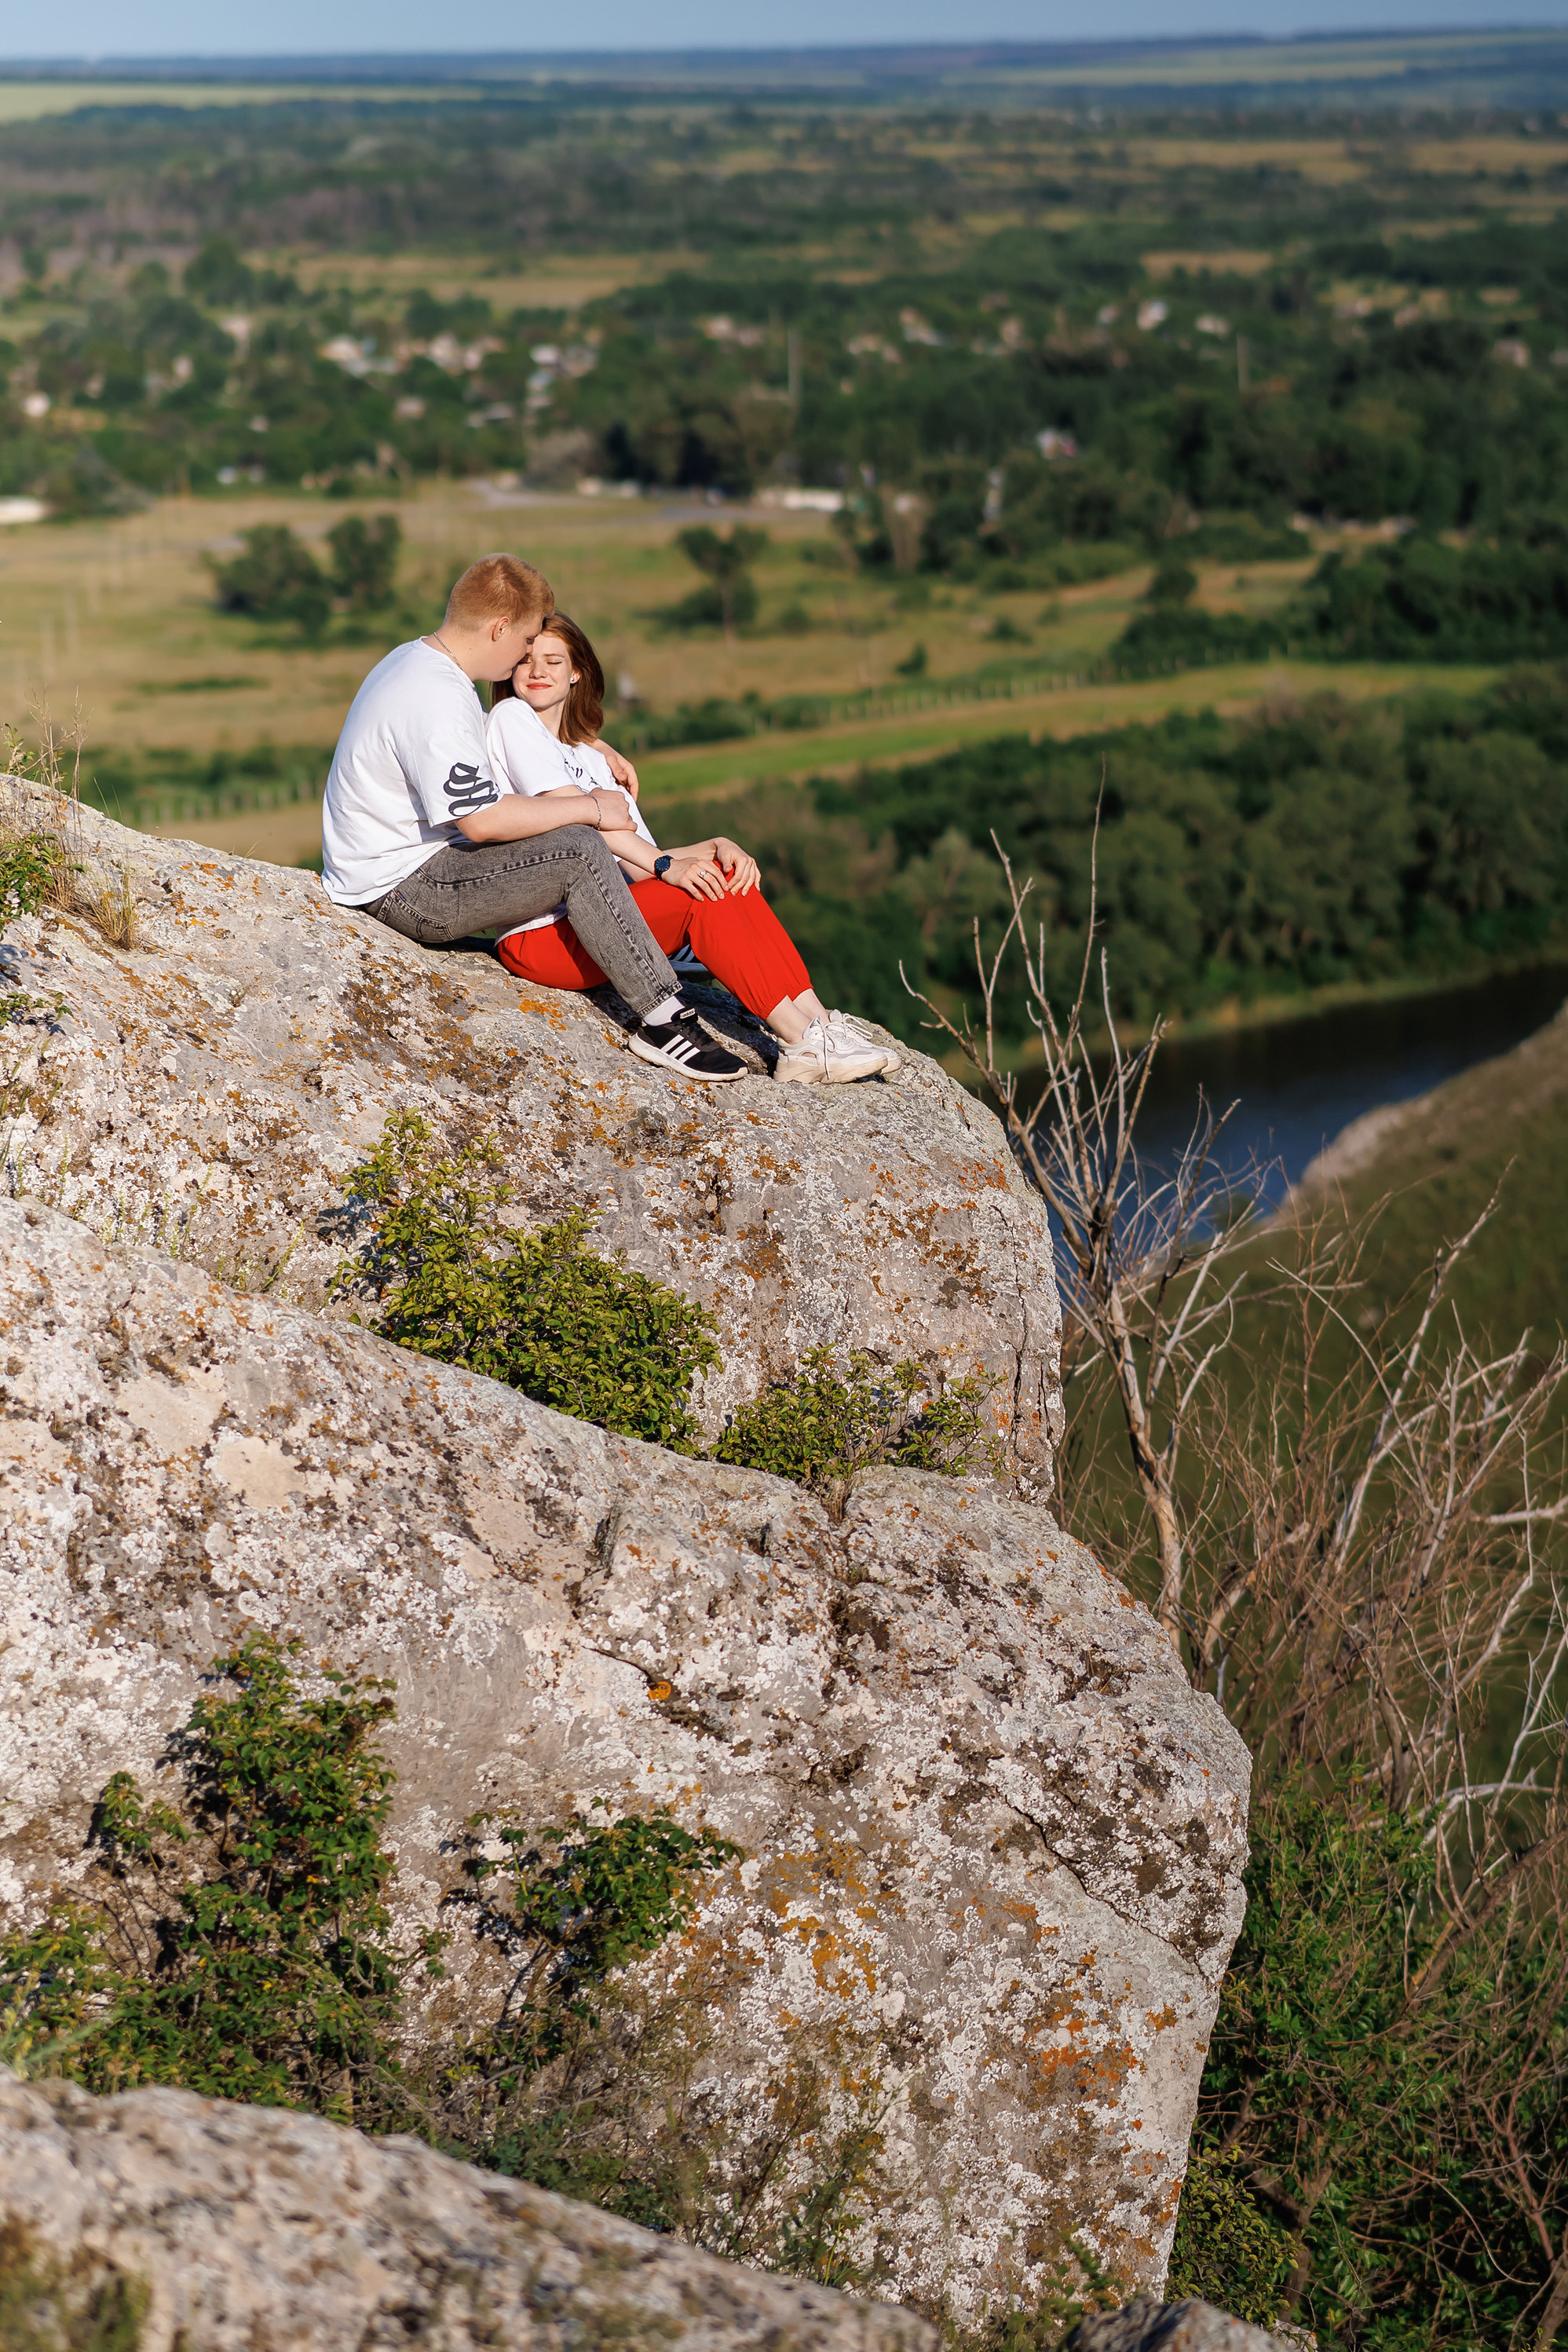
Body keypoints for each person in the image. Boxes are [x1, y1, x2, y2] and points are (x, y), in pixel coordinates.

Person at [320, 552, 747, 1085]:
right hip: (404, 888)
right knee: (578, 848)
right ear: (499, 627)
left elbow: (468, 743)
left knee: (565, 833)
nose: (527, 654)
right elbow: (481, 821)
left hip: (399, 866)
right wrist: (592, 808)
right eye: (526, 641)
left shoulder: (417, 661)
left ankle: (643, 945)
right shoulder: (437, 695)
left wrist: (588, 743)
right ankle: (662, 1021)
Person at [486, 614, 901, 1085]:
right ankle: (797, 1040)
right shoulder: (510, 719)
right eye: (526, 660)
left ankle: (820, 1025)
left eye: (553, 661)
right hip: (544, 935)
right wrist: (671, 866)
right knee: (698, 895)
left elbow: (640, 862)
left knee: (725, 877)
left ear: (577, 671)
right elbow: (578, 818)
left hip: (606, 925)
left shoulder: (590, 758)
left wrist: (714, 847)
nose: (538, 671)